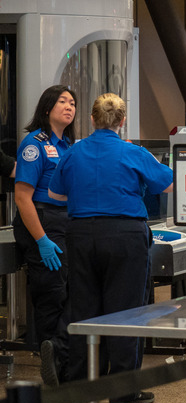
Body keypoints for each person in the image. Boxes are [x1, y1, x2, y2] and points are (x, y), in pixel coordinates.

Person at [48, 93, 173, 403]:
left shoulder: (74, 153)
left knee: (83, 307)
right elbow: (168, 183)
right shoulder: (132, 151)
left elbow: (54, 192)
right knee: (126, 310)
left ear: (91, 120)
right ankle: (122, 389)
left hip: (79, 234)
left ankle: (80, 384)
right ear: (122, 121)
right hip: (124, 235)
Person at [12, 84, 76, 387]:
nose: (69, 106)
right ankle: (52, 357)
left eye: (73, 103)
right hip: (40, 219)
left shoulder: (68, 146)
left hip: (64, 221)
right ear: (48, 107)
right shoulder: (33, 144)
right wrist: (40, 240)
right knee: (51, 291)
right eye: (63, 101)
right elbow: (23, 197)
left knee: (69, 290)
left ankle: (62, 355)